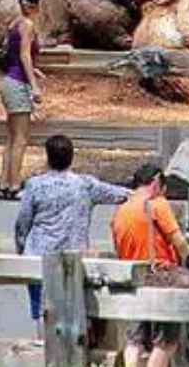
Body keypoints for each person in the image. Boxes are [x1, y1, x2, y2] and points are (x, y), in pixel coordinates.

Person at [14, 135, 130, 326]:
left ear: (48, 158)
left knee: (41, 312)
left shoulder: (34, 186)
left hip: (38, 257)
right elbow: (121, 195)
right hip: (73, 259)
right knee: (73, 312)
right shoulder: (85, 185)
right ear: (71, 157)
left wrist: (21, 249)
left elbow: (22, 224)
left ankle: (43, 348)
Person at [110, 162, 189, 367]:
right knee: (166, 341)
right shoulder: (157, 204)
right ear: (156, 182)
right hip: (161, 277)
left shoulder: (120, 211)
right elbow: (181, 244)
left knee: (134, 339)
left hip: (132, 280)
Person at [0, 0, 48, 200]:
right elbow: (25, 55)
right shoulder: (27, 25)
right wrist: (34, 86)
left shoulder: (14, 23)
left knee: (11, 138)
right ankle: (15, 185)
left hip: (9, 81)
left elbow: (12, 54)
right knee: (20, 138)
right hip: (18, 84)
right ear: (37, 4)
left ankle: (5, 183)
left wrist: (33, 71)